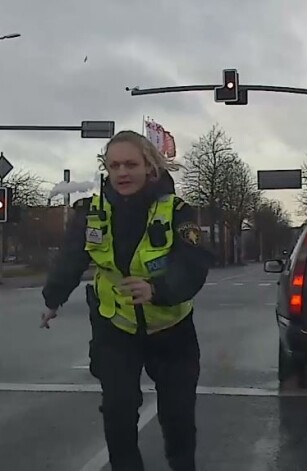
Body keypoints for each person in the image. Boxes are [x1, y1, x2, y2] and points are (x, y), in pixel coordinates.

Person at [40, 130, 212, 471]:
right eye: (114, 165)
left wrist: (157, 289)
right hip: (115, 328)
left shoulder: (177, 211)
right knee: (118, 410)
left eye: (131, 164)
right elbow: (72, 258)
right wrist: (52, 300)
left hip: (171, 330)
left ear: (150, 166)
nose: (122, 173)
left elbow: (193, 264)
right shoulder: (92, 212)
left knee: (177, 416)